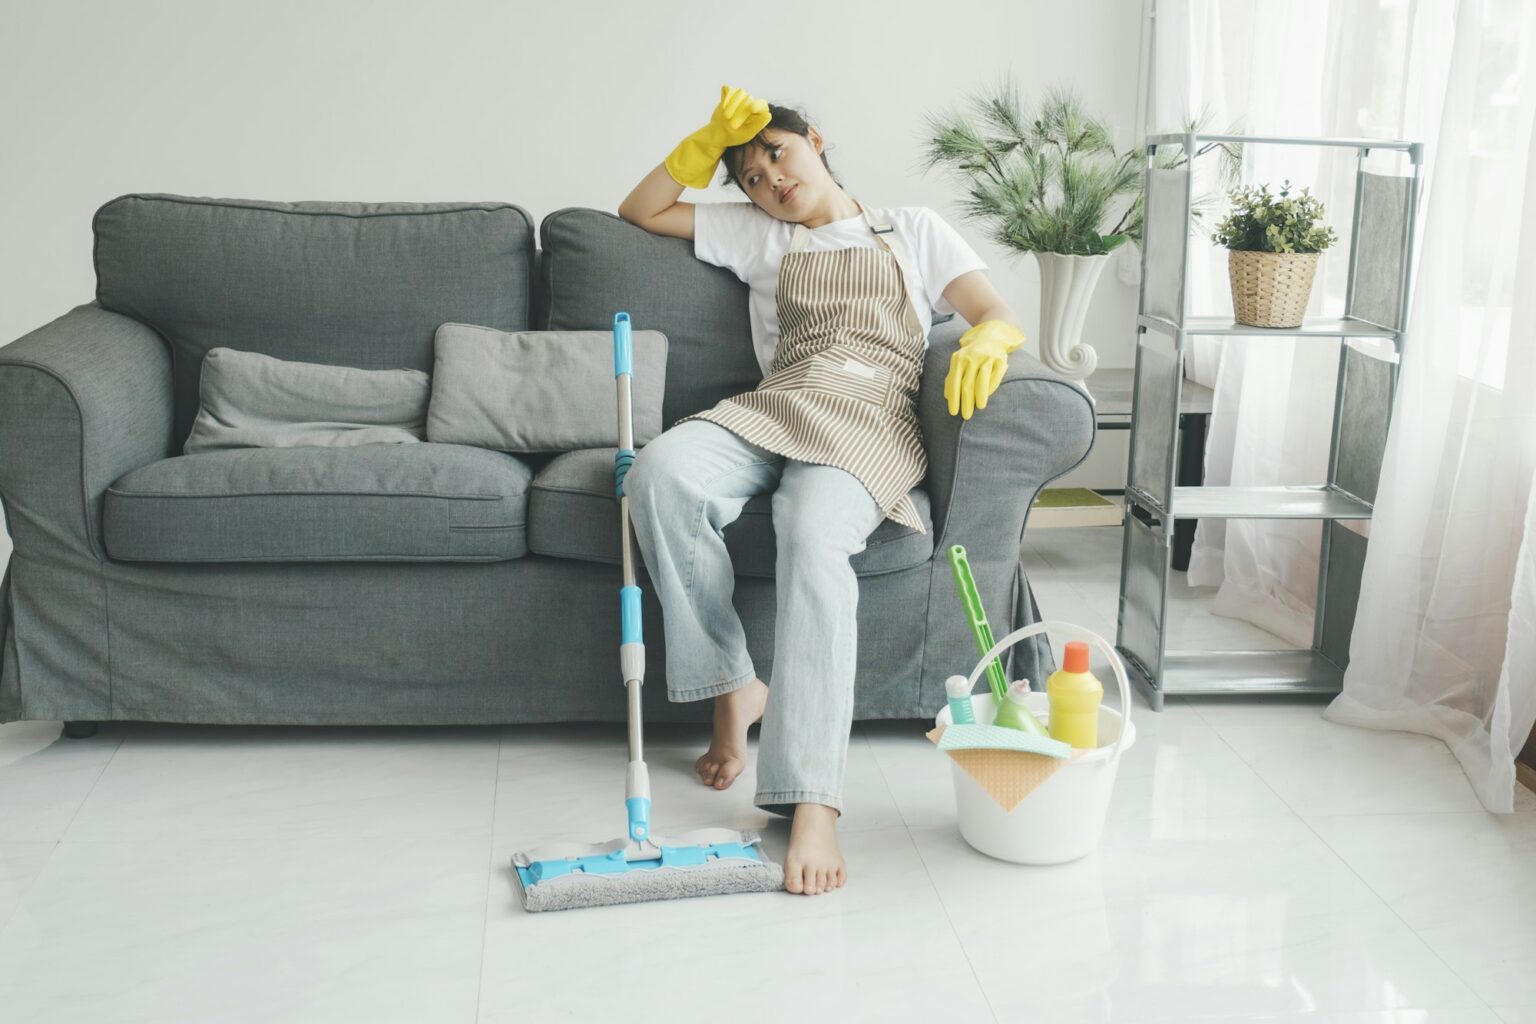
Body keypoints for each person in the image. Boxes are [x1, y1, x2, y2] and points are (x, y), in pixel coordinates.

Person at [616, 85, 1026, 896]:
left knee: (810, 533)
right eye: (750, 175)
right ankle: (735, 683)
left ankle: (812, 800)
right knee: (659, 475)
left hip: (868, 419)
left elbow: (992, 311)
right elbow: (642, 210)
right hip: (776, 406)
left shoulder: (911, 228)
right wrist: (706, 140)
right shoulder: (761, 235)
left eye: (777, 152)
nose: (770, 179)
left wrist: (992, 339)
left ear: (816, 140)